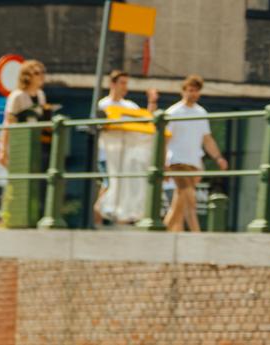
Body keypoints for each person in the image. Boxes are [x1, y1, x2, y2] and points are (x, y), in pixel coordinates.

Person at [164, 75, 226, 233]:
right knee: (187, 197)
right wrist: (162, 162)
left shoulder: (201, 112)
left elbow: (207, 139)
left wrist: (218, 158)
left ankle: (167, 232)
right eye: (189, 90)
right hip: (177, 162)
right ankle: (195, 235)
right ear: (183, 91)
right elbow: (164, 139)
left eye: (195, 91)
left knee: (184, 201)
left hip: (194, 164)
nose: (192, 94)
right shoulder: (174, 112)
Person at [95, 72, 157, 226]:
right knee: (109, 185)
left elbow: (146, 120)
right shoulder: (103, 105)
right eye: (122, 83)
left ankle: (117, 224)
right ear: (113, 84)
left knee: (122, 190)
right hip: (107, 155)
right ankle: (97, 222)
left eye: (126, 83)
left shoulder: (130, 106)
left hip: (126, 156)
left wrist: (152, 102)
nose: (125, 87)